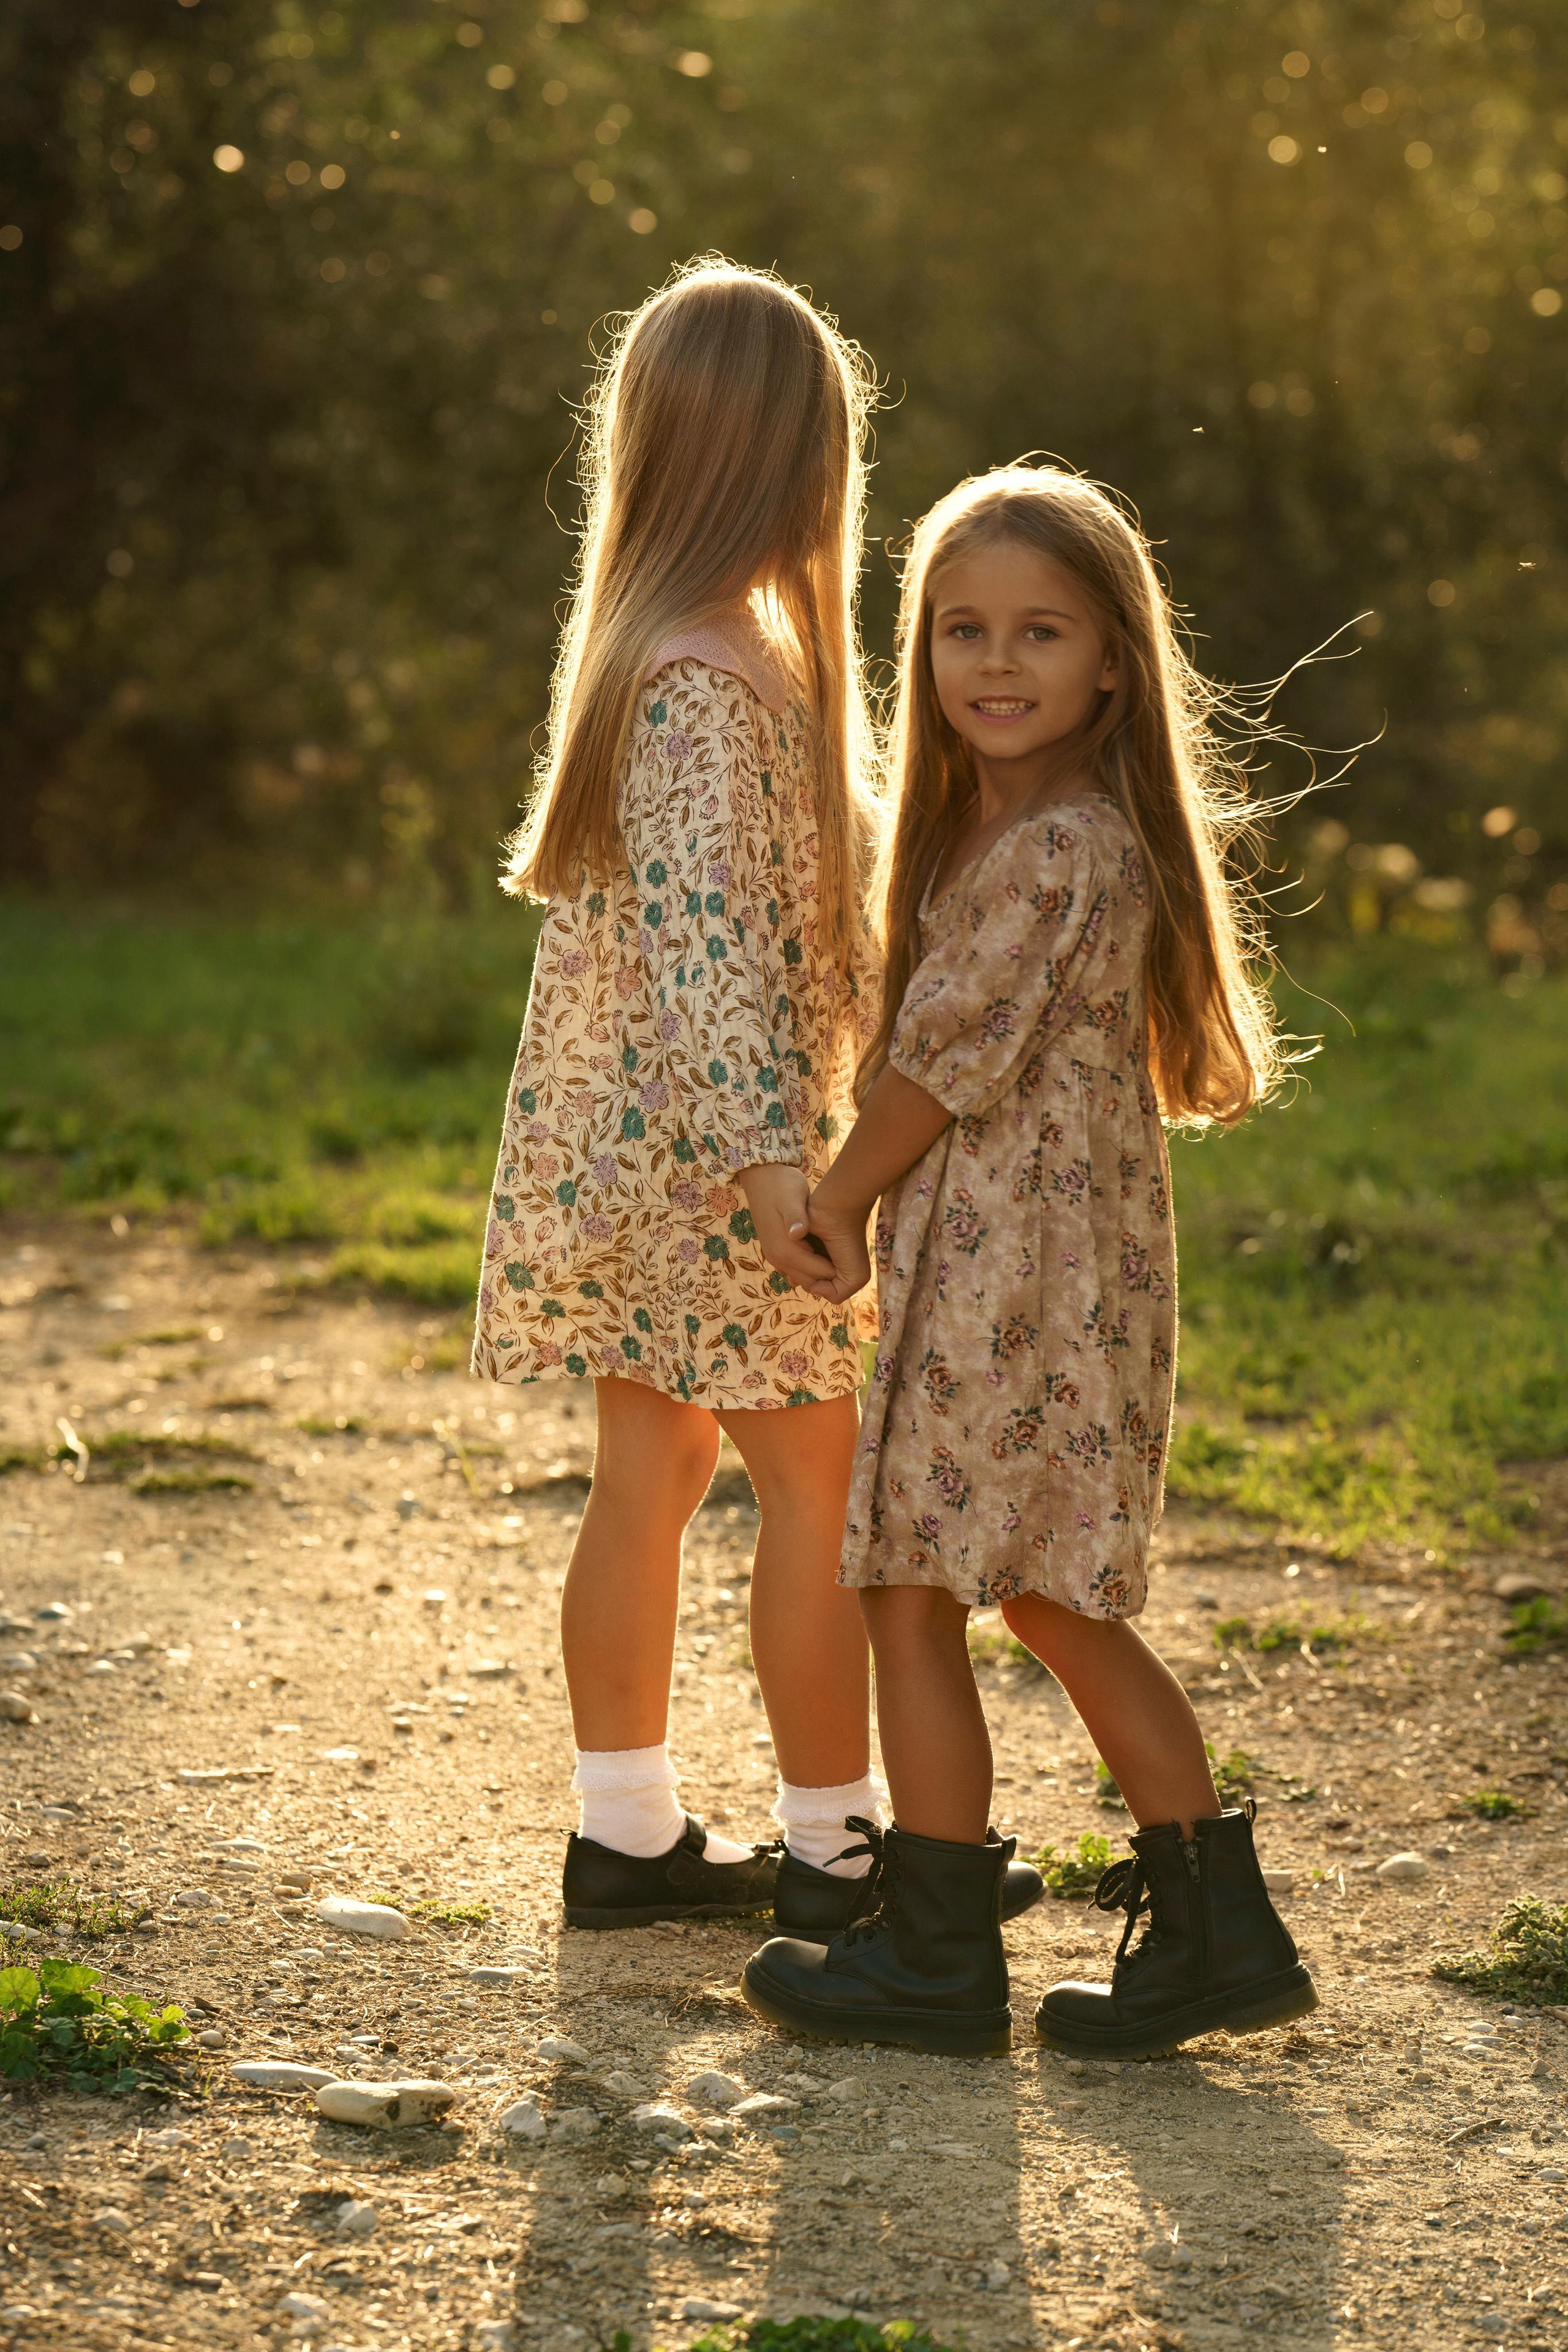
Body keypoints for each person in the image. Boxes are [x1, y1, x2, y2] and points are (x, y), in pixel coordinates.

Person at [473, 262, 1042, 1941]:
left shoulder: (672, 651)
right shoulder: (712, 677)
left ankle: (627, 1835)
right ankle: (836, 1849)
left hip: (642, 1148)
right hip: (727, 1160)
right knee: (816, 1480)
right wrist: (769, 1162)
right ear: (801, 459)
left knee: (649, 1470)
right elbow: (710, 939)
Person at [742, 463, 1318, 2056]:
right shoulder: (1004, 832)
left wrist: (835, 1201)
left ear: (1115, 660)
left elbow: (942, 1062)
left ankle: (951, 1956)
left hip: (1021, 1287)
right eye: (962, 630)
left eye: (1041, 632)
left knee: (944, 1591)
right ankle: (1195, 1928)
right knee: (1012, 1598)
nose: (995, 663)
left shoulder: (1062, 846)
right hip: (1015, 1275)